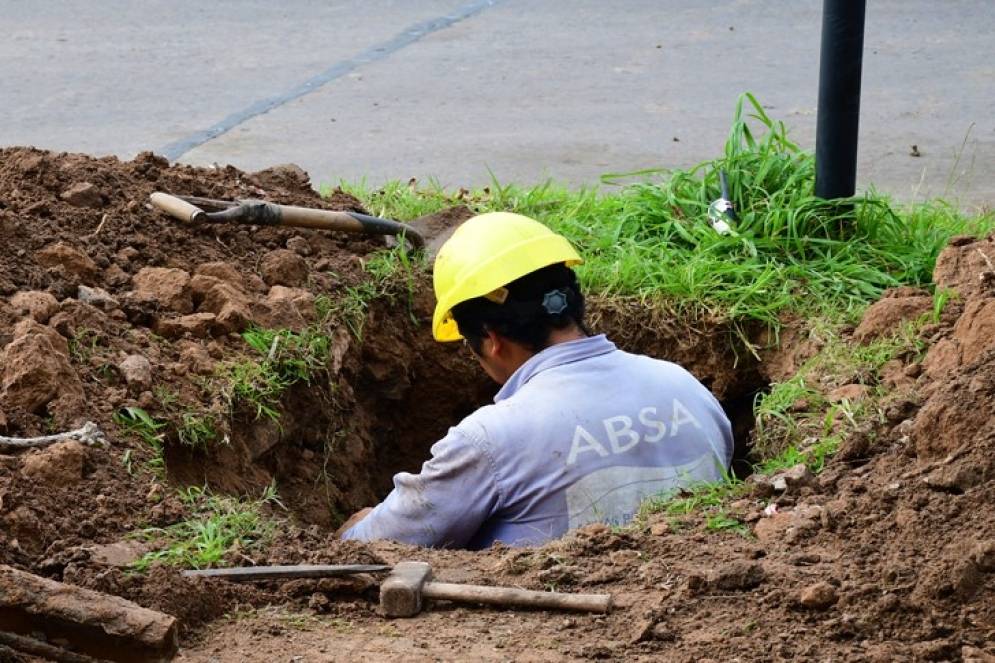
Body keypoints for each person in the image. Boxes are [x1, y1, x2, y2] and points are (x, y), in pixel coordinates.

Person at [340, 212, 733, 549]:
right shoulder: (686, 388)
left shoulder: (489, 439)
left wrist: (357, 525)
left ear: (491, 340)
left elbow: (374, 548)